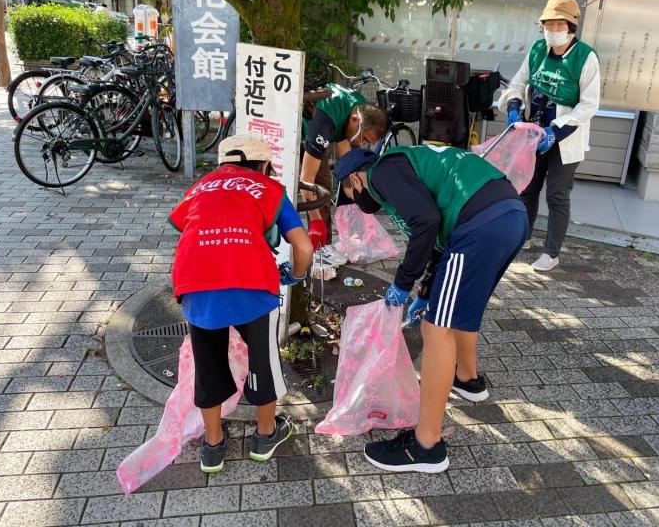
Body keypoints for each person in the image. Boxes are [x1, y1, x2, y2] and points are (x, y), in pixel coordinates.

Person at [334, 145, 528, 473]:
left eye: (351, 192)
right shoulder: (411, 163)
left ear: (355, 178)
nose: (357, 199)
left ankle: (426, 446)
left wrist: (403, 282)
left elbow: (426, 222)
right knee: (461, 309)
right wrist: (426, 288)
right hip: (510, 216)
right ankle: (467, 380)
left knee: (435, 328)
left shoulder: (382, 173)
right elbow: (439, 237)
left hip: (477, 225)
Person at [168, 135, 314, 473]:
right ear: (263, 166)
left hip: (196, 282)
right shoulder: (268, 188)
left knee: (207, 367)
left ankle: (213, 444)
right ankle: (265, 435)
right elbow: (303, 247)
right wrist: (294, 274)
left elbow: (188, 230)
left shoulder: (199, 187)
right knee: (263, 361)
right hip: (251, 282)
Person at [499, 0, 600, 272]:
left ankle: (551, 252)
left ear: (571, 26)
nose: (552, 29)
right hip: (533, 134)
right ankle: (524, 237)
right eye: (548, 24)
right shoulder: (537, 50)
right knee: (527, 189)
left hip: (564, 138)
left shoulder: (585, 56)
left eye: (559, 24)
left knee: (556, 194)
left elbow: (589, 105)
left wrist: (556, 131)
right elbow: (518, 82)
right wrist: (514, 106)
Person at [300, 83, 388, 253]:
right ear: (355, 120)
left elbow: (346, 160)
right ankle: (320, 249)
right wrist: (316, 220)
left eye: (367, 142)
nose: (362, 143)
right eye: (363, 137)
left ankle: (324, 248)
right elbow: (306, 179)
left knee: (337, 185)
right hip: (302, 128)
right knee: (320, 189)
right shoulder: (326, 120)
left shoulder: (360, 108)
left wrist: (355, 204)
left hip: (331, 125)